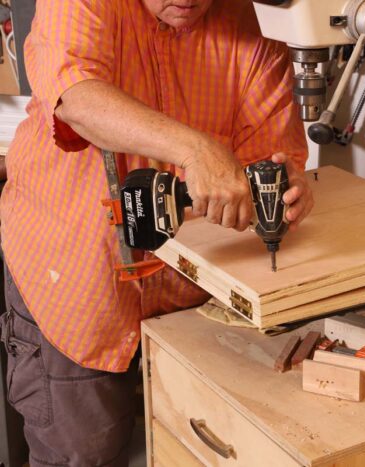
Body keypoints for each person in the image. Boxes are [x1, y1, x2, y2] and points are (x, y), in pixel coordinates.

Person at [0, 0, 313, 465]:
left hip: (191, 296)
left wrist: (283, 186)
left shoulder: (251, 21)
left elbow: (268, 153)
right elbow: (79, 100)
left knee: (184, 448)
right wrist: (196, 150)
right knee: (83, 453)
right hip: (74, 289)